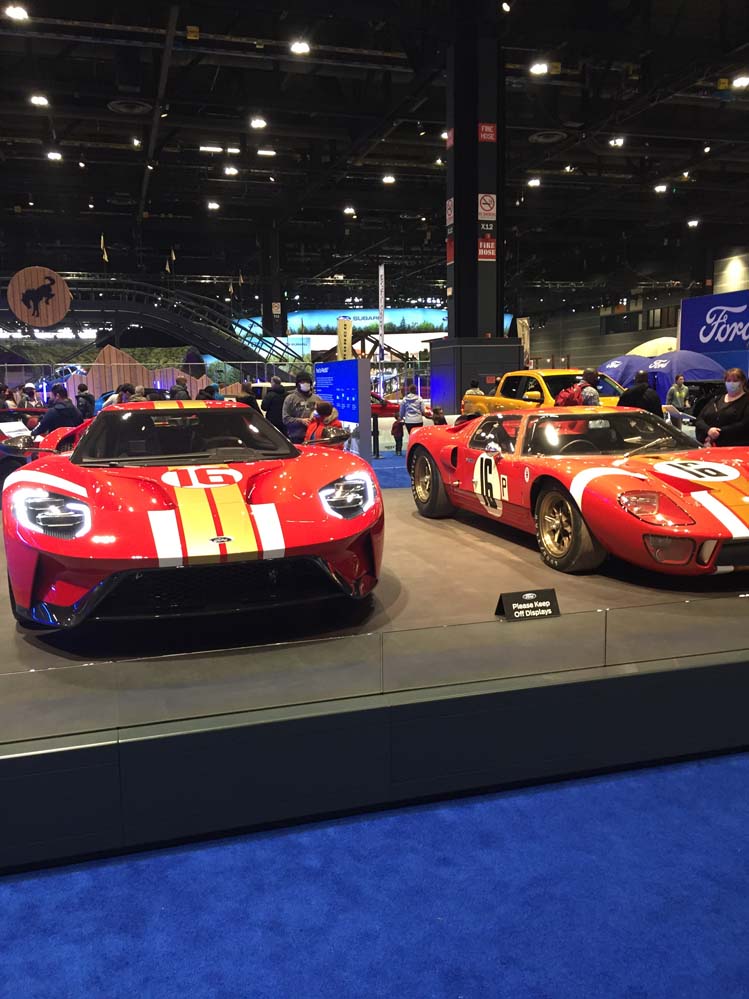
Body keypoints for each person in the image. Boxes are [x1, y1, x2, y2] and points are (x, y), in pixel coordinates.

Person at [696, 368, 749, 447]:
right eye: (728, 381)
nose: (731, 383)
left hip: (736, 445)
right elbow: (700, 419)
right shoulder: (716, 399)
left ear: (743, 382)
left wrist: (719, 432)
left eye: (735, 381)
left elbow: (745, 424)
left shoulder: (746, 400)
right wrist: (708, 430)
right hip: (709, 445)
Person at [282, 371, 338, 444]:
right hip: (296, 437)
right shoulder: (290, 399)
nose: (305, 383)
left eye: (307, 382)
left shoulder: (317, 398)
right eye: (302, 382)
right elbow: (285, 419)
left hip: (314, 438)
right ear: (298, 384)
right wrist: (300, 421)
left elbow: (324, 416)